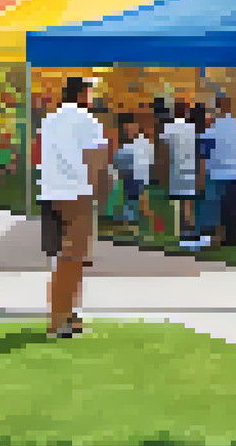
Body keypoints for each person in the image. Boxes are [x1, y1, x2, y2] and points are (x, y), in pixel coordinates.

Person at [37, 77, 111, 340]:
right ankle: (59, 323)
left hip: (50, 193)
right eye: (90, 91)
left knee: (64, 259)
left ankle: (68, 316)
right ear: (82, 94)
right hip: (76, 194)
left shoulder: (49, 119)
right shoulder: (88, 122)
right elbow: (97, 162)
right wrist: (100, 195)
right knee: (73, 259)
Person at [202, 96, 236, 249]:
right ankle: (232, 239)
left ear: (217, 107)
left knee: (218, 209)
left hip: (216, 173)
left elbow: (205, 153)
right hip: (235, 173)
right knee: (233, 209)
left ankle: (219, 239)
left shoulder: (211, 130)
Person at [161, 101, 200, 247]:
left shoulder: (168, 128)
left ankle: (181, 232)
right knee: (188, 202)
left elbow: (164, 150)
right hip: (190, 168)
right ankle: (188, 232)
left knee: (178, 203)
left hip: (175, 168)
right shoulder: (192, 128)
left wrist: (163, 170)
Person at [114, 114, 155, 225]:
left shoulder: (143, 143)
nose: (128, 132)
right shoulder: (129, 145)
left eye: (130, 129)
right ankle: (130, 218)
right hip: (132, 175)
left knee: (135, 198)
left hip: (138, 175)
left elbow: (150, 160)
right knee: (131, 198)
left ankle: (133, 218)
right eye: (126, 130)